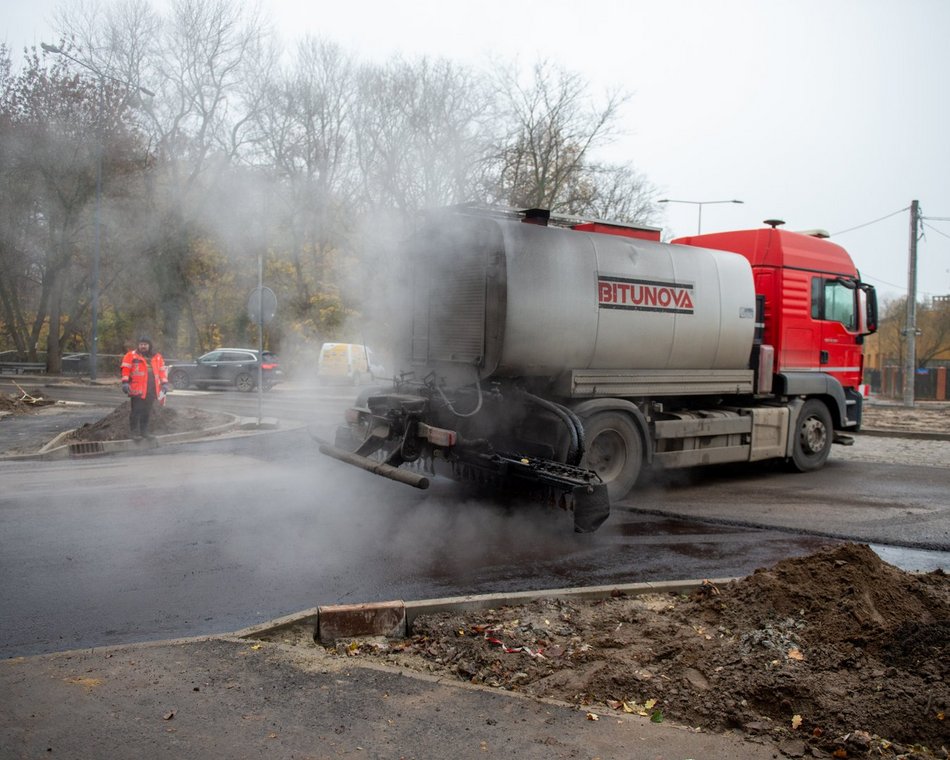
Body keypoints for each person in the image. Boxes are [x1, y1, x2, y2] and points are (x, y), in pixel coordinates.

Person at [120, 336, 168, 440]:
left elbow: (162, 371)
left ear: (149, 345)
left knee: (146, 411)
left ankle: (144, 432)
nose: (143, 346)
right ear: (138, 345)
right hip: (137, 389)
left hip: (151, 389)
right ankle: (134, 433)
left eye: (145, 344)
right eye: (141, 344)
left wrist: (164, 383)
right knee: (136, 411)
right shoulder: (131, 356)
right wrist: (125, 382)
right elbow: (125, 369)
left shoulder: (157, 357)